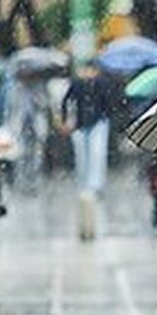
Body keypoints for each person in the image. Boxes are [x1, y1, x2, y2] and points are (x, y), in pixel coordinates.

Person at [60, 61, 112, 240]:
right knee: (82, 156)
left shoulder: (101, 83)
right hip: (81, 125)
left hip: (98, 123)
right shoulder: (77, 83)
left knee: (97, 154)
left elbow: (108, 102)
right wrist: (68, 120)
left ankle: (95, 184)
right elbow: (67, 100)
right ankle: (84, 183)